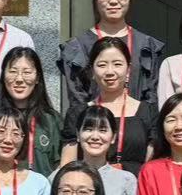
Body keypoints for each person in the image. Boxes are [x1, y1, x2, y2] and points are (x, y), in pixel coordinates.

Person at [61, 0, 164, 107]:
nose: (113, 0)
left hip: (138, 120)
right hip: (93, 119)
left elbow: (151, 99)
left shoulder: (146, 45)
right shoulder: (77, 46)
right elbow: (77, 101)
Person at [63, 36, 152, 172]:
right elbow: (67, 165)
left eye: (117, 64)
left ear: (128, 70)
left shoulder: (148, 112)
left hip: (135, 183)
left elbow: (151, 168)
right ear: (92, 71)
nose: (110, 72)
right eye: (102, 65)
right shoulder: (77, 114)